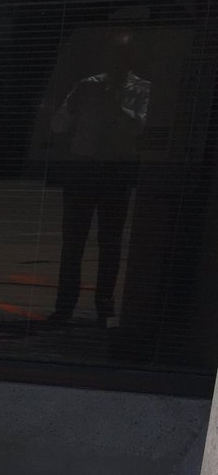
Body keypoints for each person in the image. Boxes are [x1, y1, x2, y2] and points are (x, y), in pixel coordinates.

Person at [47, 34, 150, 327]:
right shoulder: (89, 86)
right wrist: (72, 109)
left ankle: (104, 306)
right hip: (83, 167)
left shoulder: (142, 89)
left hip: (115, 169)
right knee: (73, 241)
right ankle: (65, 305)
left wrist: (117, 108)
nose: (119, 61)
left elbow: (143, 127)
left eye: (124, 55)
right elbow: (59, 124)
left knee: (110, 241)